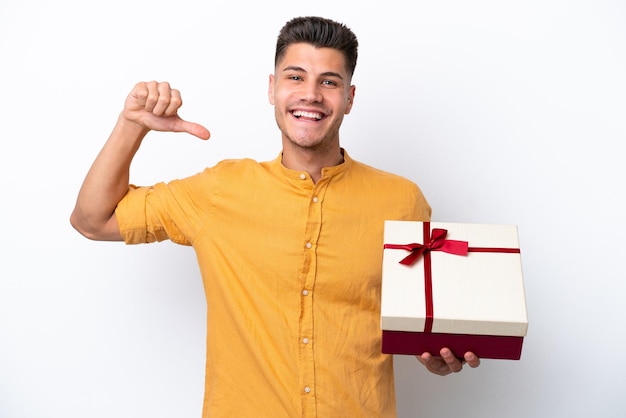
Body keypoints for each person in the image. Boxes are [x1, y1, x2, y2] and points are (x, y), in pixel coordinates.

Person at [70, 16, 480, 418]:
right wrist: (131, 126)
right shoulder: (218, 191)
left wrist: (437, 354)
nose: (312, 95)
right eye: (295, 77)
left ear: (350, 98)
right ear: (272, 88)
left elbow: (424, 320)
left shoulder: (402, 200)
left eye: (329, 82)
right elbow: (92, 220)